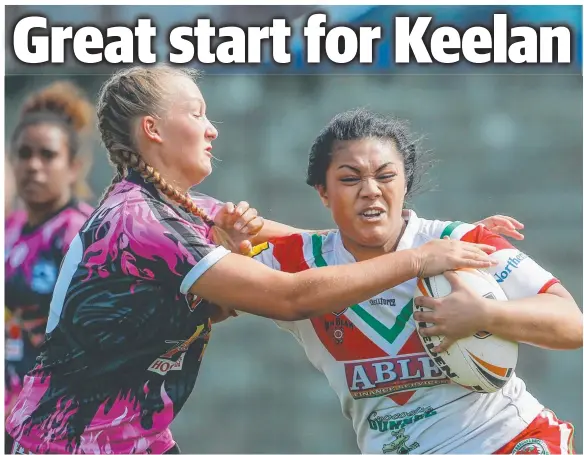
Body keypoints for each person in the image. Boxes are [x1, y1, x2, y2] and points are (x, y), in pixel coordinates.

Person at [4, 65, 497, 455]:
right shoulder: (140, 221)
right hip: (70, 445)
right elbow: (288, 297)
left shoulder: (187, 208)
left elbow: (321, 244)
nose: (212, 129)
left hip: (137, 441)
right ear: (152, 129)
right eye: (196, 114)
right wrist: (419, 260)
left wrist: (443, 235)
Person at [245, 109, 582, 454]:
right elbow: (202, 246)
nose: (370, 190)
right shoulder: (291, 263)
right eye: (350, 179)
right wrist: (233, 228)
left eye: (386, 176)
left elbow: (572, 323)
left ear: (405, 183)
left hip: (507, 441)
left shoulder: (460, 242)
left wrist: (484, 315)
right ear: (323, 192)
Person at [5, 81, 95, 418]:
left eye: (48, 155)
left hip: (60, 414)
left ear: (74, 166)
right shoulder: (9, 230)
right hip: (12, 412)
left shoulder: (82, 233)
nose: (33, 165)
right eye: (24, 154)